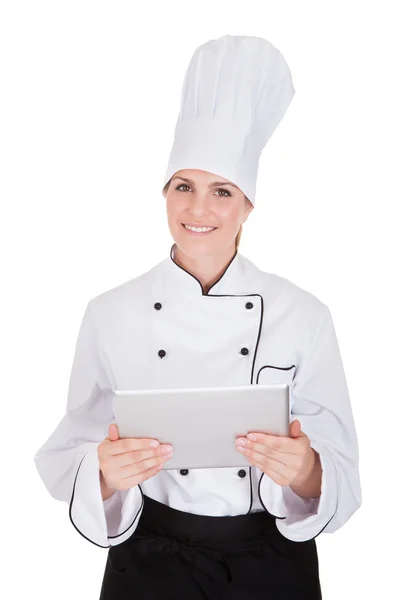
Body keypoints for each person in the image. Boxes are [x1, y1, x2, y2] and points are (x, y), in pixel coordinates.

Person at [33, 35, 361, 599]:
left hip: (272, 566)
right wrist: (107, 472)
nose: (198, 209)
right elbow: (69, 451)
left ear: (248, 205)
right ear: (164, 193)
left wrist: (303, 469)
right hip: (152, 561)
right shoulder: (110, 314)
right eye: (183, 186)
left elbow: (343, 474)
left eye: (222, 191)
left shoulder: (304, 315)